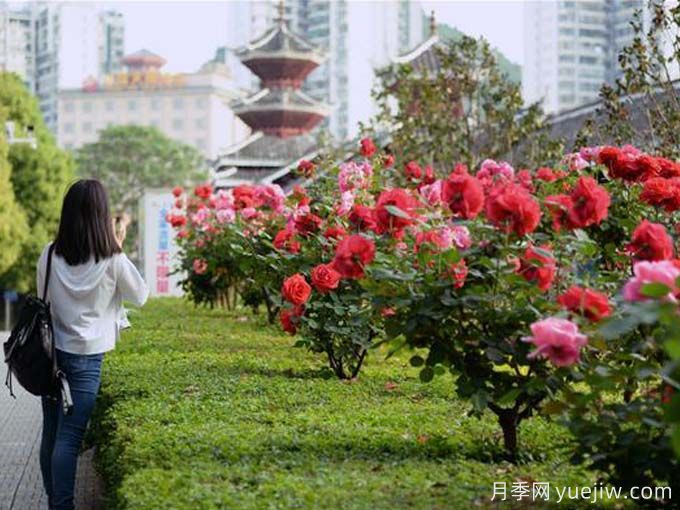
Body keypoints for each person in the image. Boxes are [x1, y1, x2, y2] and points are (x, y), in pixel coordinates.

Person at [37, 179, 148, 510]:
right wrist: (118, 244)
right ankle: (62, 506)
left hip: (51, 356)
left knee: (52, 434)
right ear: (102, 216)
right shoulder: (112, 258)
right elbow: (141, 295)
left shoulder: (49, 253)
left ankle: (55, 500)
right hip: (87, 360)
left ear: (67, 213)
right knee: (70, 439)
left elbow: (43, 300)